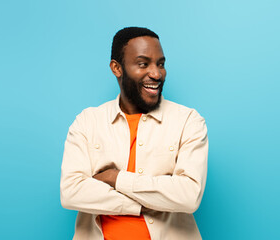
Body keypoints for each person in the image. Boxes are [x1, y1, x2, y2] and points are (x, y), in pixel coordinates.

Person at [60, 27, 208, 240]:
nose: (156, 73)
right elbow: (71, 192)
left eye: (161, 64)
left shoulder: (188, 121)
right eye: (143, 64)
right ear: (116, 68)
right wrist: (148, 203)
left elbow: (188, 196)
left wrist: (116, 178)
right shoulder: (87, 122)